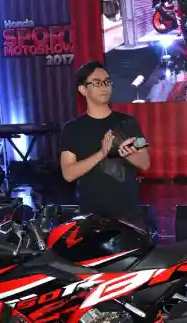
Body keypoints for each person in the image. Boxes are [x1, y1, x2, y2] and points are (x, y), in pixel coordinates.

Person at [60, 61, 150, 226]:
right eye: (97, 83)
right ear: (83, 89)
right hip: (90, 217)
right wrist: (101, 153)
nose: (104, 87)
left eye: (107, 82)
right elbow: (68, 173)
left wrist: (127, 154)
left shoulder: (129, 122)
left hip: (128, 216)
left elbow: (145, 162)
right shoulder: (72, 129)